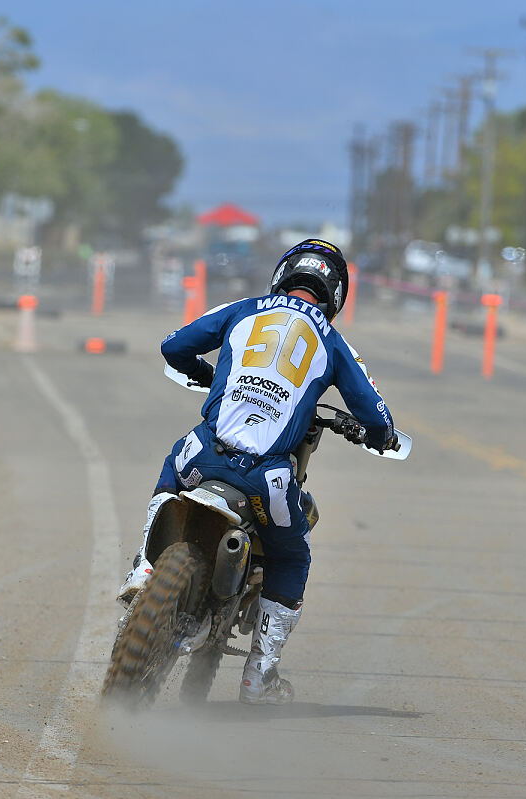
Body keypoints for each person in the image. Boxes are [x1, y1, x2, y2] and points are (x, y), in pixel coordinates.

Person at [118, 239, 395, 705]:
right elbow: (375, 413)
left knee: (172, 471)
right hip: (266, 479)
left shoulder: (244, 309)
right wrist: (380, 435)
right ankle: (259, 679)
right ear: (336, 294)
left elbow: (174, 346)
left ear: (282, 274)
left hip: (203, 455)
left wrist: (210, 375)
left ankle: (144, 569)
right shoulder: (332, 340)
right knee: (293, 558)